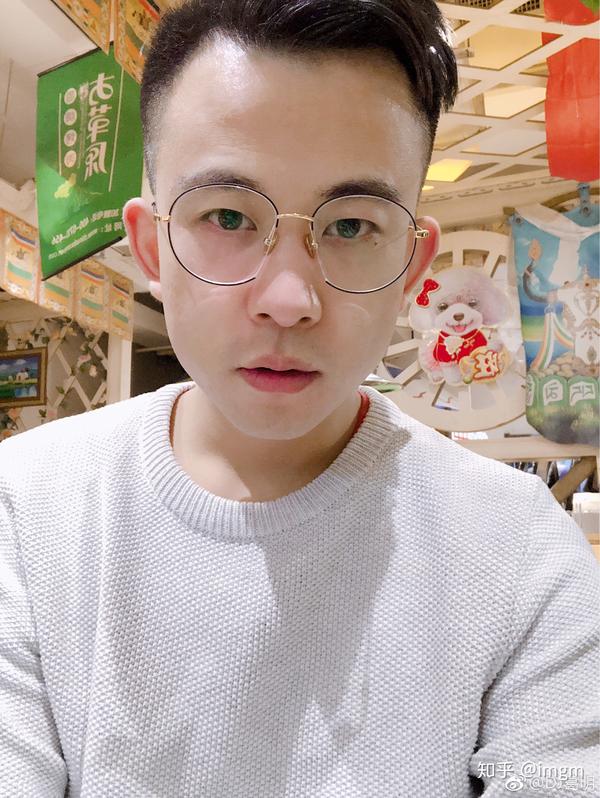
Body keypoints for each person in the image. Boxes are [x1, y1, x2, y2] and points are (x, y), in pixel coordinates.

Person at [1, 1, 598, 795]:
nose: (288, 299)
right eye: (226, 216)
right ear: (151, 247)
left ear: (412, 267)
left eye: (351, 227)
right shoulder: (26, 510)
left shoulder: (521, 555)